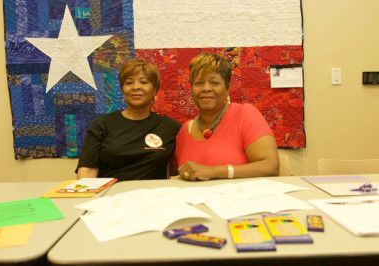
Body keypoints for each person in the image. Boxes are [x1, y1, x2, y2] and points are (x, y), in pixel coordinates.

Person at [175, 53, 279, 181]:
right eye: (198, 83)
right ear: (191, 89)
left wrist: (212, 171)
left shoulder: (245, 115)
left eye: (214, 83)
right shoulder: (184, 132)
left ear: (227, 86)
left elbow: (270, 166)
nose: (206, 88)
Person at [76, 59, 181, 181]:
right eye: (129, 83)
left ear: (155, 89)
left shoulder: (169, 127)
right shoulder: (102, 125)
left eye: (144, 82)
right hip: (110, 196)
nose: (136, 87)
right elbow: (87, 173)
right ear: (122, 89)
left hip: (153, 197)